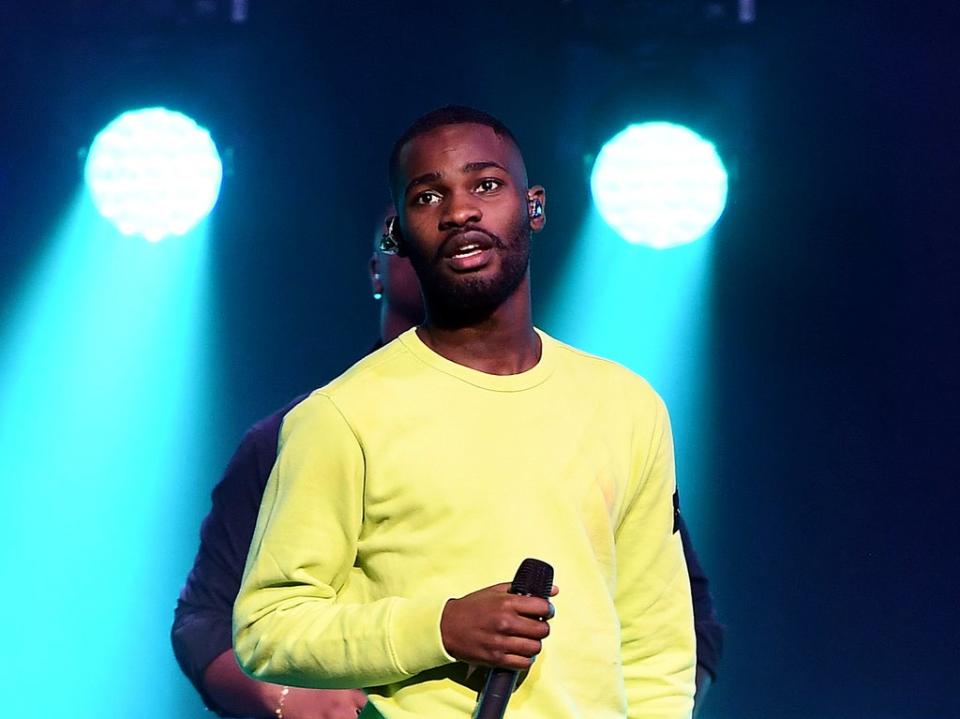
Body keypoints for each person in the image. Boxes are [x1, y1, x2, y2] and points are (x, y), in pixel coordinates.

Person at [232, 106, 705, 718]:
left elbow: (655, 643)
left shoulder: (626, 405)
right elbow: (266, 629)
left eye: (486, 185)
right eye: (428, 197)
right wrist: (441, 628)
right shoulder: (341, 415)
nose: (459, 211)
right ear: (397, 235)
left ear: (533, 206)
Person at [170, 213, 421, 718]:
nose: (444, 228)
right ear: (378, 272)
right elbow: (204, 619)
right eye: (407, 233)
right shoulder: (291, 434)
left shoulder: (565, 415)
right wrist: (286, 696)